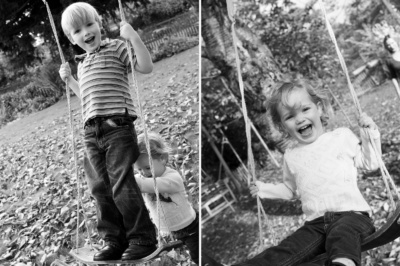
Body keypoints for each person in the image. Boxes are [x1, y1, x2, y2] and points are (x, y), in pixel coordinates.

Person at [234, 80, 381, 266]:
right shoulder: (291, 156)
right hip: (315, 225)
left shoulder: (341, 137)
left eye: (305, 109)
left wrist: (371, 135)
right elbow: (289, 189)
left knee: (342, 236)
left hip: (352, 216)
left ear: (319, 109)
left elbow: (370, 163)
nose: (300, 119)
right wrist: (264, 189)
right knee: (287, 249)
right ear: (282, 126)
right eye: (289, 117)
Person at [58, 2, 157, 261]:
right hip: (92, 132)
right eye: (78, 30)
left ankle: (142, 238)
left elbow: (146, 67)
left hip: (117, 127)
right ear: (72, 38)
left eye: (90, 24)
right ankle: (114, 240)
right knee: (100, 188)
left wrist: (133, 37)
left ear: (99, 24)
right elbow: (87, 98)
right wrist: (70, 81)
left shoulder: (117, 47)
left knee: (122, 184)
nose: (86, 32)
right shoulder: (82, 62)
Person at [134, 132, 199, 264]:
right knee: (170, 257)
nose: (144, 173)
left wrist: (134, 182)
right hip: (166, 231)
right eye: (139, 169)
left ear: (163, 159)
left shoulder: (173, 178)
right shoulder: (142, 179)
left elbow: (153, 185)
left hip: (190, 227)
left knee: (197, 256)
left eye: (147, 167)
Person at [381, 34, 400, 100]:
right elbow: (393, 77)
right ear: (386, 47)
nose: (391, 46)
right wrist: (398, 92)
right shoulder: (389, 60)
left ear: (396, 41)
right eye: (388, 45)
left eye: (392, 43)